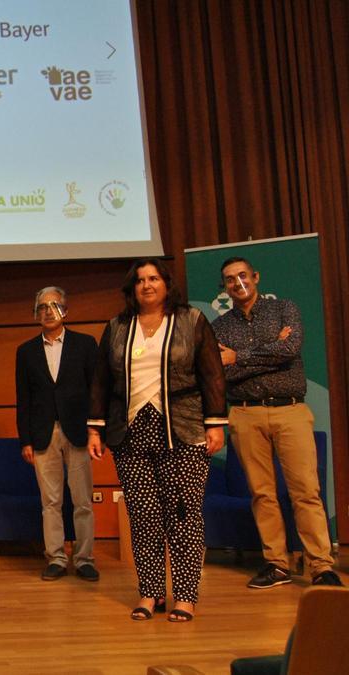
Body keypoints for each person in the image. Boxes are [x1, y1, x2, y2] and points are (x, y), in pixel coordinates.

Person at [87, 259, 226, 622]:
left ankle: (185, 595)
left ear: (166, 284)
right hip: (131, 431)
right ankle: (149, 593)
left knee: (183, 514)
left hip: (183, 428)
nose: (146, 285)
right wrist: (94, 428)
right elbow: (101, 380)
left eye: (153, 279)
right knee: (144, 516)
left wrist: (215, 424)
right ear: (131, 288)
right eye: (139, 281)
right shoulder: (117, 327)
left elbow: (211, 372)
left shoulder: (191, 321)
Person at [211, 257, 342, 588]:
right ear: (224, 287)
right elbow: (221, 371)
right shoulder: (220, 326)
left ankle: (321, 566)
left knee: (306, 491)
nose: (237, 282)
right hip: (244, 412)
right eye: (229, 279)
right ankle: (276, 563)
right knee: (262, 493)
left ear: (255, 276)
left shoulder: (285, 309)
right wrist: (270, 352)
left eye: (242, 275)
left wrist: (239, 356)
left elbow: (290, 349)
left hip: (290, 410)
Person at [15, 287, 100, 582]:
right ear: (35, 314)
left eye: (54, 306)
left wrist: (95, 430)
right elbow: (23, 398)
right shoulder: (25, 351)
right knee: (50, 501)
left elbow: (96, 391)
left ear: (66, 310)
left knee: (83, 499)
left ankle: (85, 558)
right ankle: (56, 558)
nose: (48, 312)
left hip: (78, 430)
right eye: (42, 307)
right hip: (42, 433)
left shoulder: (85, 344)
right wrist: (25, 439)